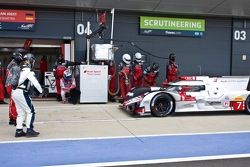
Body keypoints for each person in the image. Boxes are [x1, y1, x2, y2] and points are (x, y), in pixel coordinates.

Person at [12, 53, 43, 137]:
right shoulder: (28, 71)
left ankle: (19, 131)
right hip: (21, 92)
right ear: (31, 61)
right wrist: (41, 91)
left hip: (14, 92)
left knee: (20, 112)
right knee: (31, 111)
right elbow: (35, 83)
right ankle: (29, 130)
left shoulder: (19, 69)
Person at [5, 52, 23, 125]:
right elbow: (15, 78)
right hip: (12, 85)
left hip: (9, 85)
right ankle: (15, 119)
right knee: (15, 103)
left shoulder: (11, 64)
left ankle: (12, 119)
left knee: (12, 103)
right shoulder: (14, 65)